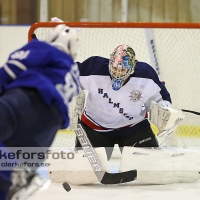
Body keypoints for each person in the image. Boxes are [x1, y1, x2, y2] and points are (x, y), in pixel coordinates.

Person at [0, 24, 80, 200]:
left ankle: (15, 173)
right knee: (6, 190)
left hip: (26, 103)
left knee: (8, 173)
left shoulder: (43, 48)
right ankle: (21, 175)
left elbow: (10, 70)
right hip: (47, 132)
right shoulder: (73, 72)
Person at [75, 44, 173, 160]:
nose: (117, 73)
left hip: (133, 128)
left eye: (122, 70)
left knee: (149, 168)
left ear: (132, 68)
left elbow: (161, 98)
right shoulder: (93, 68)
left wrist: (165, 109)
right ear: (110, 63)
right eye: (115, 68)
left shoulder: (146, 76)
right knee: (83, 170)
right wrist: (70, 98)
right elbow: (70, 77)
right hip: (94, 127)